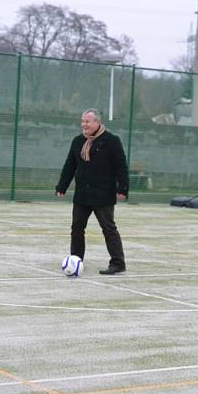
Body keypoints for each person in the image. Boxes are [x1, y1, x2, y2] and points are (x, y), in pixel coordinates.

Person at [56, 108, 129, 274]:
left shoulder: (112, 141)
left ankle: (118, 263)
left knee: (108, 228)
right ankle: (76, 260)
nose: (84, 124)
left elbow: (121, 166)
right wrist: (62, 186)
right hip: (82, 194)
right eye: (82, 121)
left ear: (97, 122)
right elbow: (70, 165)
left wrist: (123, 187)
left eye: (87, 121)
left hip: (103, 194)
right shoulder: (77, 141)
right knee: (76, 228)